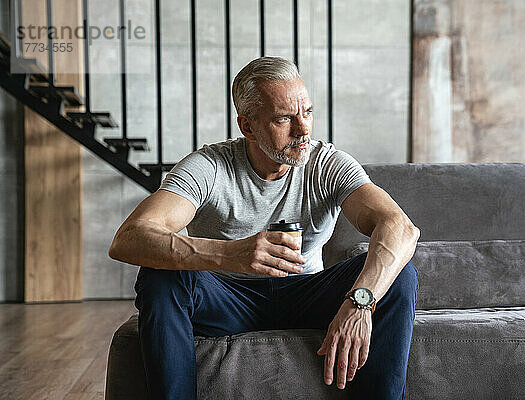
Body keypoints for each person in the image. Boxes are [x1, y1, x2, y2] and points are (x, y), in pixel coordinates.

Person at [109, 56, 420, 400]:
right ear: (248, 126)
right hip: (227, 299)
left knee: (399, 275)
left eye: (308, 112)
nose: (303, 129)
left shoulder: (327, 163)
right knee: (161, 276)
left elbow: (401, 228)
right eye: (284, 118)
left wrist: (361, 302)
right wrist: (230, 254)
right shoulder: (210, 166)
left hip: (307, 293)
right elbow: (129, 238)